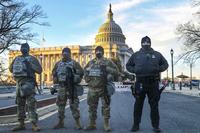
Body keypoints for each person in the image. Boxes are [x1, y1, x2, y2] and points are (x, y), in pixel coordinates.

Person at [126, 36, 168, 133]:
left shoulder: (157, 55)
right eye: (144, 43)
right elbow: (128, 65)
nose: (146, 44)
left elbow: (165, 64)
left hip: (153, 83)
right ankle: (136, 125)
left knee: (154, 105)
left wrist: (158, 69)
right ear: (141, 44)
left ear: (150, 43)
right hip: (140, 83)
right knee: (138, 105)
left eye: (147, 42)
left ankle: (156, 126)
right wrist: (135, 70)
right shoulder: (136, 55)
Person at [84, 46, 118, 132]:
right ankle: (92, 124)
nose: (98, 52)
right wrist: (87, 78)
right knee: (92, 107)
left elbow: (116, 71)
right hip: (92, 88)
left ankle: (106, 124)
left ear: (102, 52)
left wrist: (106, 68)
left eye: (100, 51)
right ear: (95, 52)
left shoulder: (107, 62)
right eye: (97, 51)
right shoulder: (91, 62)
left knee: (106, 107)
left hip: (103, 87)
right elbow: (85, 71)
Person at [9, 43, 42, 132]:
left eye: (25, 47)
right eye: (22, 47)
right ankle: (21, 124)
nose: (23, 49)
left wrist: (30, 65)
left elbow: (39, 70)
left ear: (28, 49)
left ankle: (34, 124)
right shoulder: (17, 58)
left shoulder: (32, 59)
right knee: (20, 104)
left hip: (29, 83)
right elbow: (11, 68)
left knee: (31, 104)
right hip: (19, 83)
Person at [52, 47, 84, 130]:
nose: (65, 54)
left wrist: (76, 78)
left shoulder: (74, 63)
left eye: (67, 53)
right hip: (61, 87)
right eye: (63, 53)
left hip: (71, 87)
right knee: (60, 105)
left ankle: (78, 123)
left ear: (70, 54)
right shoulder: (58, 63)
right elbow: (54, 72)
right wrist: (55, 79)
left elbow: (81, 73)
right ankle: (60, 122)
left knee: (74, 105)